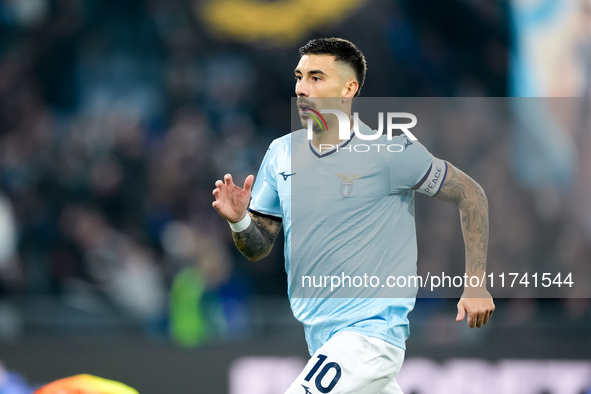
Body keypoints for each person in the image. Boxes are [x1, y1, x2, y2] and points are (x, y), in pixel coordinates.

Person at [212, 37, 494, 394]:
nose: (301, 88)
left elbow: (471, 194)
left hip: (369, 338)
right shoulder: (281, 153)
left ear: (349, 88)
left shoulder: (391, 152)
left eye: (316, 78)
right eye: (299, 77)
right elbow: (259, 246)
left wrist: (476, 283)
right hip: (321, 339)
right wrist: (239, 220)